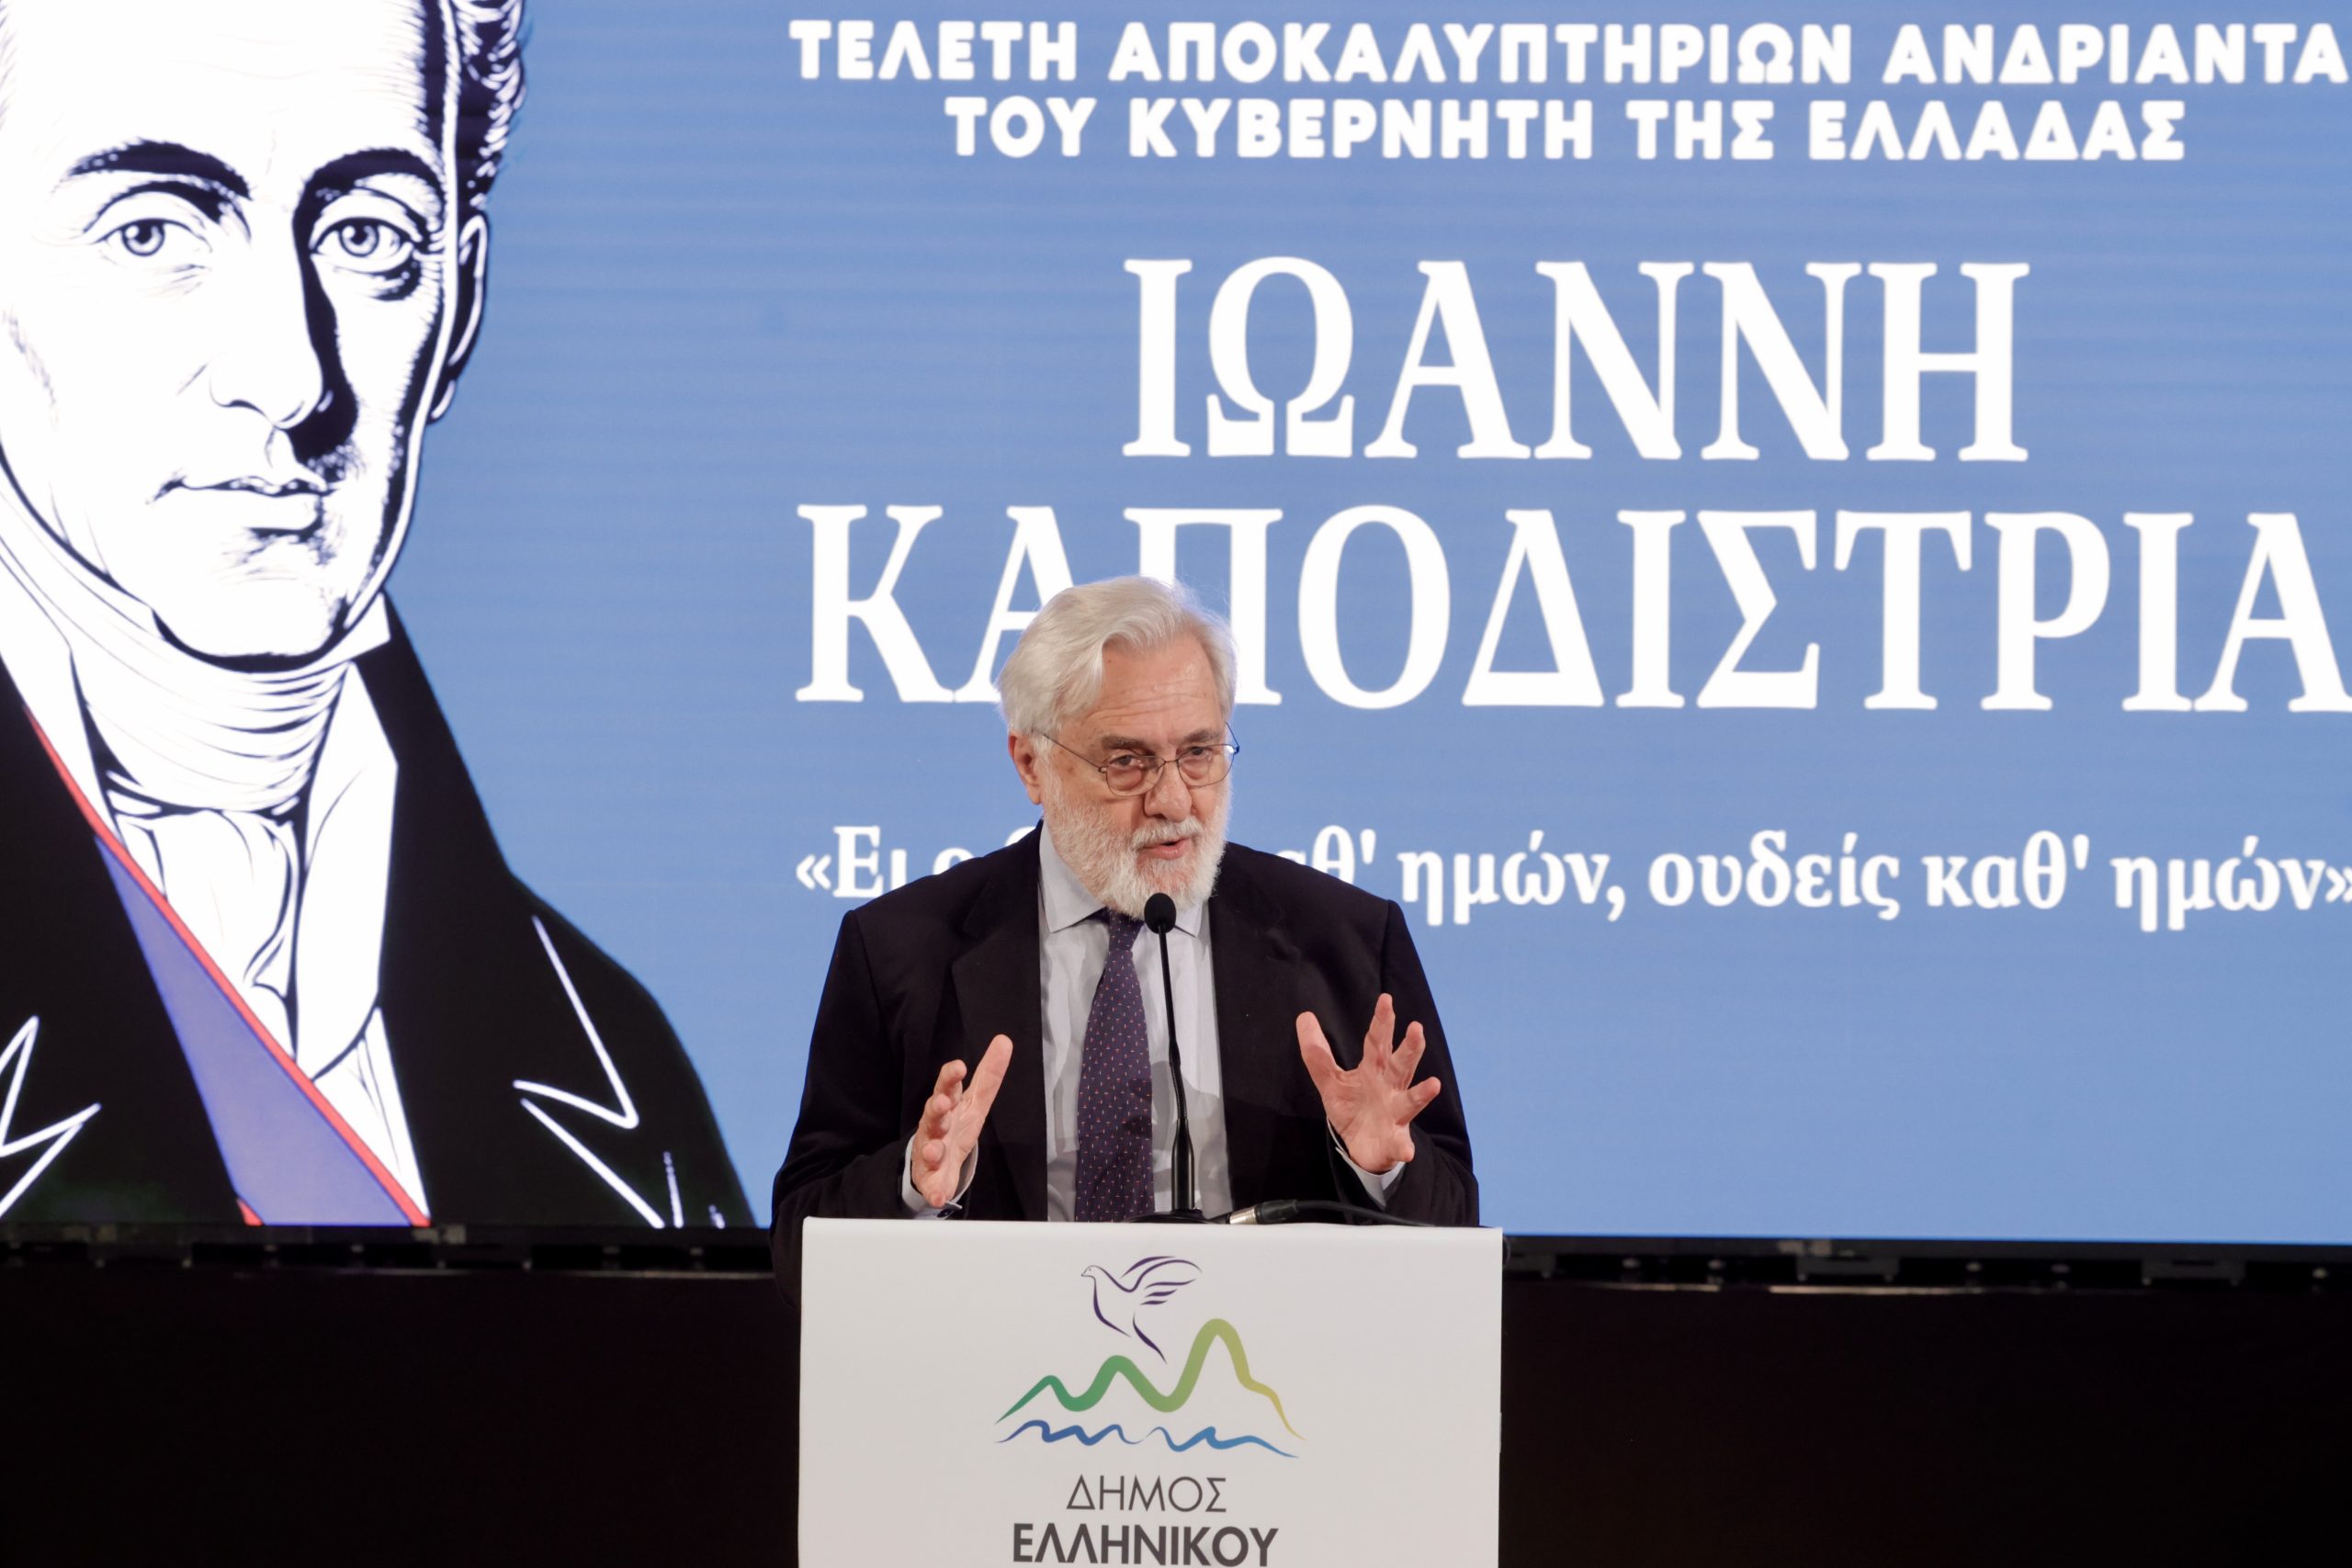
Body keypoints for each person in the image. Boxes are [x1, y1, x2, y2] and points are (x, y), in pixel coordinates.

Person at [0, 0, 744, 1227]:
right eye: (150, 231)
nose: (292, 376)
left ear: (460, 304)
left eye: (365, 237)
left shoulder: (617, 1070)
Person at [770, 577, 1476, 1280]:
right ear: (1031, 763)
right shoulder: (897, 951)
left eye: (1198, 752)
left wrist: (1379, 1169)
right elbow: (799, 1245)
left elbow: (1459, 1234)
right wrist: (910, 1187)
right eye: (1127, 762)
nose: (1172, 799)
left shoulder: (1347, 942)